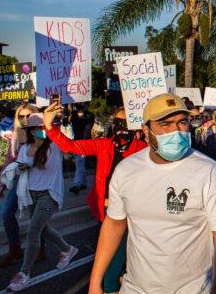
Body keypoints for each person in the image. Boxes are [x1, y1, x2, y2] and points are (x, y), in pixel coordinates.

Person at [88, 93, 216, 294]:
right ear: (145, 131)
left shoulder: (208, 171)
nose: (176, 131)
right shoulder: (126, 170)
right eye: (165, 124)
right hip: (136, 289)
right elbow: (114, 224)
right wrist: (94, 282)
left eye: (182, 122)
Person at [44, 105, 148, 294]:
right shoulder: (104, 145)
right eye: (118, 122)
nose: (122, 127)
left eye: (127, 123)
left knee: (111, 265)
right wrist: (50, 128)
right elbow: (72, 146)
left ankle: (110, 287)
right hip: (106, 212)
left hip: (130, 215)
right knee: (116, 258)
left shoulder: (143, 149)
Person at [7, 113, 78, 292]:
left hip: (49, 194)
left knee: (33, 231)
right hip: (31, 194)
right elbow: (21, 166)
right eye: (37, 128)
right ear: (30, 131)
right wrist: (20, 167)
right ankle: (68, 249)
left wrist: (58, 119)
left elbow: (66, 143)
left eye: (43, 127)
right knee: (42, 228)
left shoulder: (54, 146)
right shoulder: (25, 147)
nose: (41, 130)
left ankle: (24, 273)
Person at [0, 104, 42, 268]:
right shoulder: (16, 135)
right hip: (19, 179)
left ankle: (41, 249)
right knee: (6, 212)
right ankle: (14, 249)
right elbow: (9, 160)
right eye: (21, 116)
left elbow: (47, 158)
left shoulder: (40, 133)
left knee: (36, 217)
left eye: (28, 116)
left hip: (37, 179)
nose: (24, 120)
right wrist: (1, 183)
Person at [67, 103, 95, 195]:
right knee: (80, 163)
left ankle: (77, 184)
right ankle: (83, 183)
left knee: (79, 162)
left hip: (84, 142)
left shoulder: (89, 116)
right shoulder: (73, 115)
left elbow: (87, 128)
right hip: (76, 142)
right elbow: (65, 123)